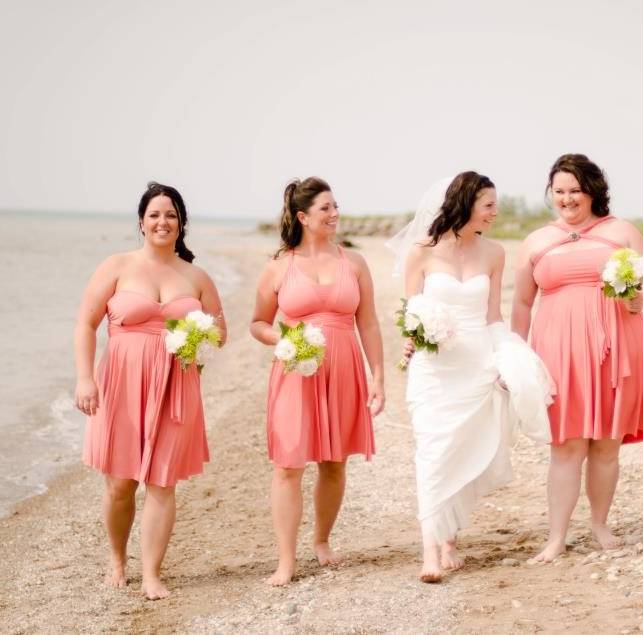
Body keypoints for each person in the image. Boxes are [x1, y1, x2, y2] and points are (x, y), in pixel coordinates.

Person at [511, 154, 643, 562]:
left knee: (606, 443)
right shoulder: (536, 240)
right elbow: (520, 302)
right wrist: (515, 357)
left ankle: (600, 524)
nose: (567, 199)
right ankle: (556, 537)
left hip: (616, 343)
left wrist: (639, 299)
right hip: (557, 349)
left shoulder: (621, 230)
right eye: (559, 191)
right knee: (566, 444)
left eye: (575, 191)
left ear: (593, 191)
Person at [391, 171, 552, 583]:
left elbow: (493, 316)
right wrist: (411, 338)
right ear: (465, 204)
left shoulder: (495, 253)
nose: (496, 212)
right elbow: (409, 313)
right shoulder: (422, 253)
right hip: (434, 367)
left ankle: (449, 540)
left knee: (464, 450)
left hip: (477, 364)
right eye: (489, 205)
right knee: (433, 451)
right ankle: (429, 552)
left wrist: (506, 361)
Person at [74, 182, 226, 599]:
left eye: (171, 215)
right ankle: (117, 558)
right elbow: (86, 324)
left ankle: (152, 573)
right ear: (141, 222)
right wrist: (85, 378)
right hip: (121, 384)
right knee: (121, 483)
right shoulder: (117, 265)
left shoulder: (196, 276)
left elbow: (219, 332)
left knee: (162, 483)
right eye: (155, 214)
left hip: (176, 388)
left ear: (181, 224)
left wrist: (196, 342)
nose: (163, 221)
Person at [249, 177, 384, 585]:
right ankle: (285, 561)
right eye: (326, 208)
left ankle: (322, 540)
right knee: (288, 464)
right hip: (296, 371)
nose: (335, 214)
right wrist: (284, 338)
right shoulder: (279, 267)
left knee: (334, 462)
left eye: (336, 206)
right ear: (303, 216)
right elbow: (257, 324)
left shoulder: (354, 263)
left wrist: (377, 376)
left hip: (343, 367)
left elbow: (370, 324)